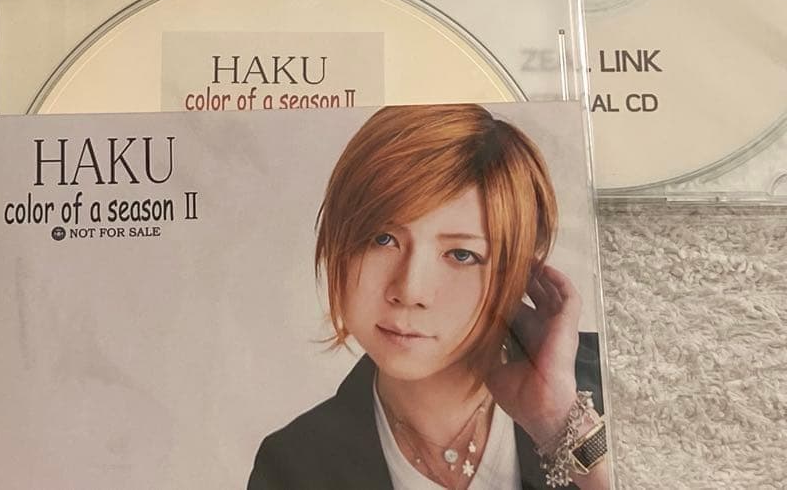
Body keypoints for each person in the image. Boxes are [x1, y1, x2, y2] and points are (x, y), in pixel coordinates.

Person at [248, 105, 609, 490]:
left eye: (461, 255)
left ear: (518, 270)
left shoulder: (610, 377)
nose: (410, 291)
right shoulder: (292, 465)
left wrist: (561, 424)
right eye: (382, 239)